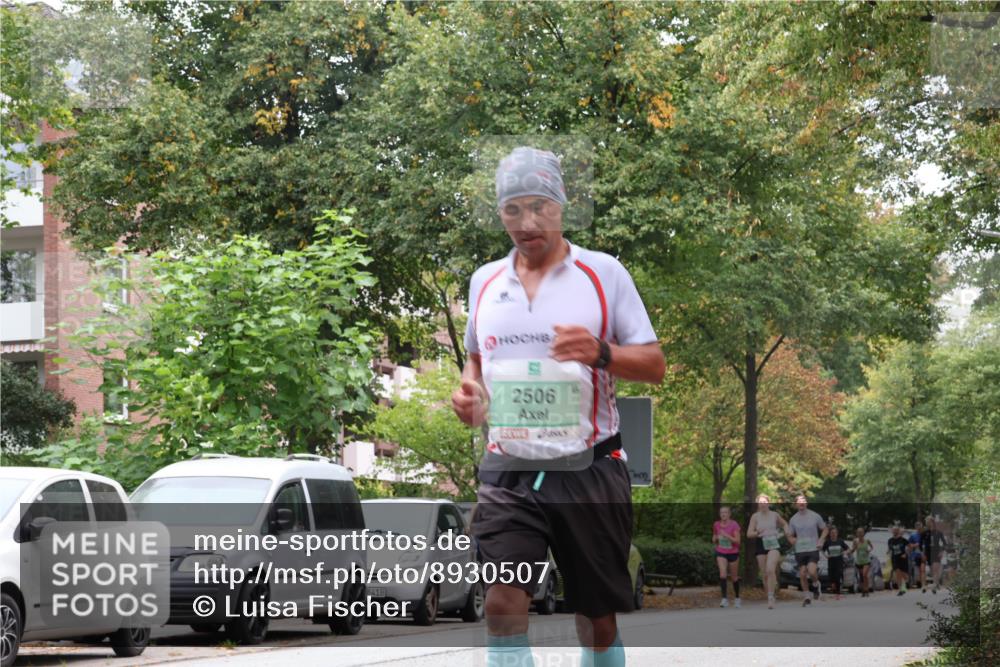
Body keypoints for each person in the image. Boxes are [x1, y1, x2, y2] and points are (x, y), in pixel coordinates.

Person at [453, 146, 665, 667]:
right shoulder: (484, 282)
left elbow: (655, 364)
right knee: (503, 602)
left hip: (589, 467)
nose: (526, 222)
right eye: (512, 209)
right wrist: (470, 395)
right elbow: (475, 362)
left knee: (596, 617)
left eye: (539, 206)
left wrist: (602, 352)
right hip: (508, 468)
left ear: (561, 205)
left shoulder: (603, 273)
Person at [746, 494, 788, 609]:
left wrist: (786, 532)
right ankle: (770, 594)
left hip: (773, 544)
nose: (763, 504)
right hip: (761, 544)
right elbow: (749, 534)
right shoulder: (755, 517)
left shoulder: (775, 515)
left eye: (765, 502)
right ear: (758, 504)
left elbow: (784, 524)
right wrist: (756, 532)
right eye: (760, 502)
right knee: (765, 574)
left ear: (768, 503)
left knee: (770, 569)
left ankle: (771, 597)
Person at [787, 494, 828, 607]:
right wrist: (792, 540)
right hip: (800, 550)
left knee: (811, 571)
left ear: (806, 503)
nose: (801, 503)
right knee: (802, 573)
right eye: (799, 501)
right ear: (796, 504)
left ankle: (815, 584)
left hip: (812, 548)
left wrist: (821, 540)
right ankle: (806, 597)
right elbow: (790, 535)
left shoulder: (815, 516)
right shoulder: (793, 519)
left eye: (803, 501)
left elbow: (824, 529)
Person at [712, 505, 741, 608]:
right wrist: (715, 538)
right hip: (721, 551)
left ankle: (737, 598)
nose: (723, 514)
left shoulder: (734, 525)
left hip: (733, 552)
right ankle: (724, 599)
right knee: (723, 574)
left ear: (729, 514)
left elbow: (738, 541)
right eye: (721, 513)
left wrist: (726, 535)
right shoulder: (716, 524)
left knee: (734, 577)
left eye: (725, 512)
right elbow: (714, 536)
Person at [922, 516, 948, 594]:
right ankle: (936, 584)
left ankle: (934, 586)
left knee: (935, 569)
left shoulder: (938, 533)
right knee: (932, 570)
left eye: (929, 521)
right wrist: (923, 553)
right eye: (926, 522)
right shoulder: (925, 533)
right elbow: (922, 544)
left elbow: (945, 544)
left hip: (936, 553)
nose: (927, 523)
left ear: (932, 522)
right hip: (928, 553)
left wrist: (942, 552)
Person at [822, 526, 849, 600]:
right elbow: (822, 550)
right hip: (831, 562)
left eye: (834, 533)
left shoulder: (840, 541)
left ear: (837, 534)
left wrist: (844, 552)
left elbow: (848, 549)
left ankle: (838, 593)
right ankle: (834, 588)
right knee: (831, 577)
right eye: (832, 533)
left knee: (838, 576)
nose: (833, 534)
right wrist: (826, 555)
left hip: (839, 561)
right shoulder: (827, 542)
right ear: (830, 534)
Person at [849, 527, 874, 597]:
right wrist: (849, 551)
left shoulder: (867, 540)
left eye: (861, 532)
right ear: (857, 533)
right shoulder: (855, 541)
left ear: (863, 533)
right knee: (861, 577)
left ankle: (867, 589)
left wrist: (869, 550)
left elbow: (872, 547)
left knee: (864, 575)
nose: (860, 534)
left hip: (866, 561)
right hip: (859, 562)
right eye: (858, 532)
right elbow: (853, 550)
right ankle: (864, 591)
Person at [888, 524, 910, 596]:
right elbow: (890, 549)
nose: (895, 531)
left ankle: (904, 585)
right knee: (897, 573)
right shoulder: (890, 540)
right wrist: (888, 553)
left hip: (903, 559)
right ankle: (901, 589)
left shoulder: (903, 540)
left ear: (898, 531)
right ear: (892, 531)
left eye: (896, 530)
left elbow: (909, 547)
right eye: (894, 530)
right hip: (895, 559)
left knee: (905, 576)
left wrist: (906, 554)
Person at [908, 520, 926, 592]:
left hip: (924, 554)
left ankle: (923, 584)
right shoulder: (913, 535)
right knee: (917, 571)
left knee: (923, 570)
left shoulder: (925, 534)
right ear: (915, 527)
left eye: (920, 525)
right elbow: (909, 545)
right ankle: (919, 582)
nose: (918, 527)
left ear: (922, 526)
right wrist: (915, 545)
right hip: (916, 555)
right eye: (917, 526)